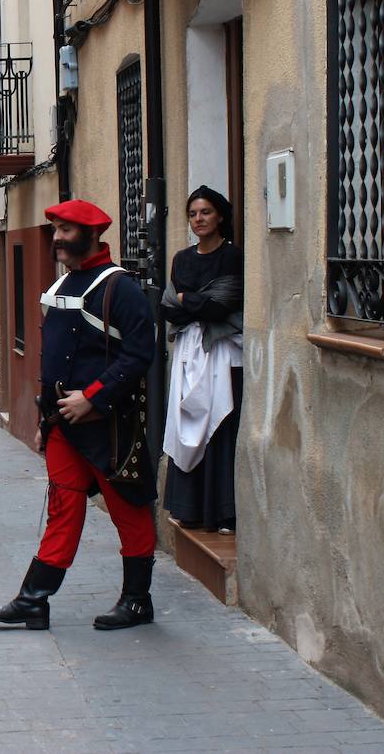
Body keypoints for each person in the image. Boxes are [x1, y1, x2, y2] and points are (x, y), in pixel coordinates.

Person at [0, 199, 157, 632]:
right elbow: (52, 361)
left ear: (91, 235)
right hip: (63, 426)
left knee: (129, 510)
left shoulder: (122, 288)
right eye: (55, 228)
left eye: (66, 229)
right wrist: (45, 420)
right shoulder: (62, 287)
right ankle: (33, 601)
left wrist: (92, 398)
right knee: (63, 508)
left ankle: (137, 601)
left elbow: (139, 355)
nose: (56, 237)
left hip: (110, 426)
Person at [162, 186, 243, 535]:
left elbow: (222, 304)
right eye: (193, 214)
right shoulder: (181, 258)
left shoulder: (232, 256)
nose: (199, 219)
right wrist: (192, 301)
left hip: (223, 352)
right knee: (186, 422)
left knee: (218, 425)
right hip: (189, 350)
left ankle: (222, 513)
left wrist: (186, 298)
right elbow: (168, 307)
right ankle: (188, 508)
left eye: (206, 212)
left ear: (220, 216)